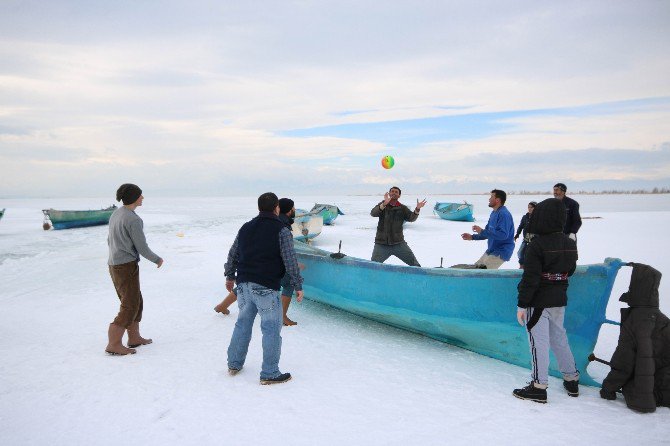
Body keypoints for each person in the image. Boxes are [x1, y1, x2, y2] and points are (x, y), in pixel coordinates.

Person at [225, 192, 304, 385]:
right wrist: (297, 284)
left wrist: (229, 275)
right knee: (271, 329)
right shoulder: (281, 229)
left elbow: (233, 252)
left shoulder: (246, 227)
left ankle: (234, 364)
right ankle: (269, 372)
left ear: (260, 207)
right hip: (266, 287)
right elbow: (289, 259)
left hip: (243, 284)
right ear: (276, 207)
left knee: (242, 324)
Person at [512, 198, 580, 403]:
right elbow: (571, 270)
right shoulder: (570, 243)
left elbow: (530, 278)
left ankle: (538, 387)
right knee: (560, 339)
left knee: (538, 344)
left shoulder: (537, 245)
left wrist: (522, 304)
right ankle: (572, 379)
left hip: (538, 301)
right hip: (559, 299)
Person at [214, 198, 302, 326]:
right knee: (288, 283)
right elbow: (284, 254)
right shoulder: (282, 226)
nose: (294, 210)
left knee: (248, 281)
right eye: (293, 208)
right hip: (269, 269)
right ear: (288, 210)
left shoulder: (254, 224)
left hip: (253, 266)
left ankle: (222, 306)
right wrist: (296, 277)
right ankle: (282, 316)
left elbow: (235, 252)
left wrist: (230, 275)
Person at [599, 263, 670, 412]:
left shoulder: (634, 320)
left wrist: (608, 388)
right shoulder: (663, 320)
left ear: (637, 289)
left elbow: (624, 362)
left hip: (646, 391)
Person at [105, 184, 163, 356]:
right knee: (130, 304)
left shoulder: (117, 213)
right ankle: (113, 344)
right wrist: (157, 259)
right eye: (140, 195)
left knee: (135, 300)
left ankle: (134, 338)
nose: (143, 198)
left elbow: (110, 240)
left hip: (115, 263)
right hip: (125, 265)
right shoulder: (133, 220)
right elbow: (142, 247)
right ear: (135, 197)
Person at [370, 186, 427, 266]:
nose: (394, 193)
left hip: (399, 244)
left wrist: (417, 209)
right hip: (381, 244)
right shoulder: (383, 205)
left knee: (415, 265)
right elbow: (373, 213)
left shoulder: (402, 208)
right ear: (389, 193)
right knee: (373, 267)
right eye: (392, 191)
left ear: (399, 196)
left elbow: (411, 218)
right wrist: (384, 204)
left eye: (396, 192)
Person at [461, 189, 514, 269]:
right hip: (491, 250)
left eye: (491, 197)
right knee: (475, 268)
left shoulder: (504, 214)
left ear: (497, 200)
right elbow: (487, 233)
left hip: (501, 251)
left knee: (481, 272)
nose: (489, 199)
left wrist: (482, 231)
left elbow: (503, 235)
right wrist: (472, 237)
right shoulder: (494, 213)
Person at [514, 201, 537, 268]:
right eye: (528, 207)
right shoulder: (525, 217)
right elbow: (521, 226)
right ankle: (522, 266)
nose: (529, 209)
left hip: (535, 238)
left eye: (531, 207)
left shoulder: (539, 217)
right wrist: (517, 234)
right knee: (520, 253)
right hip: (527, 238)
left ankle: (527, 266)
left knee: (529, 253)